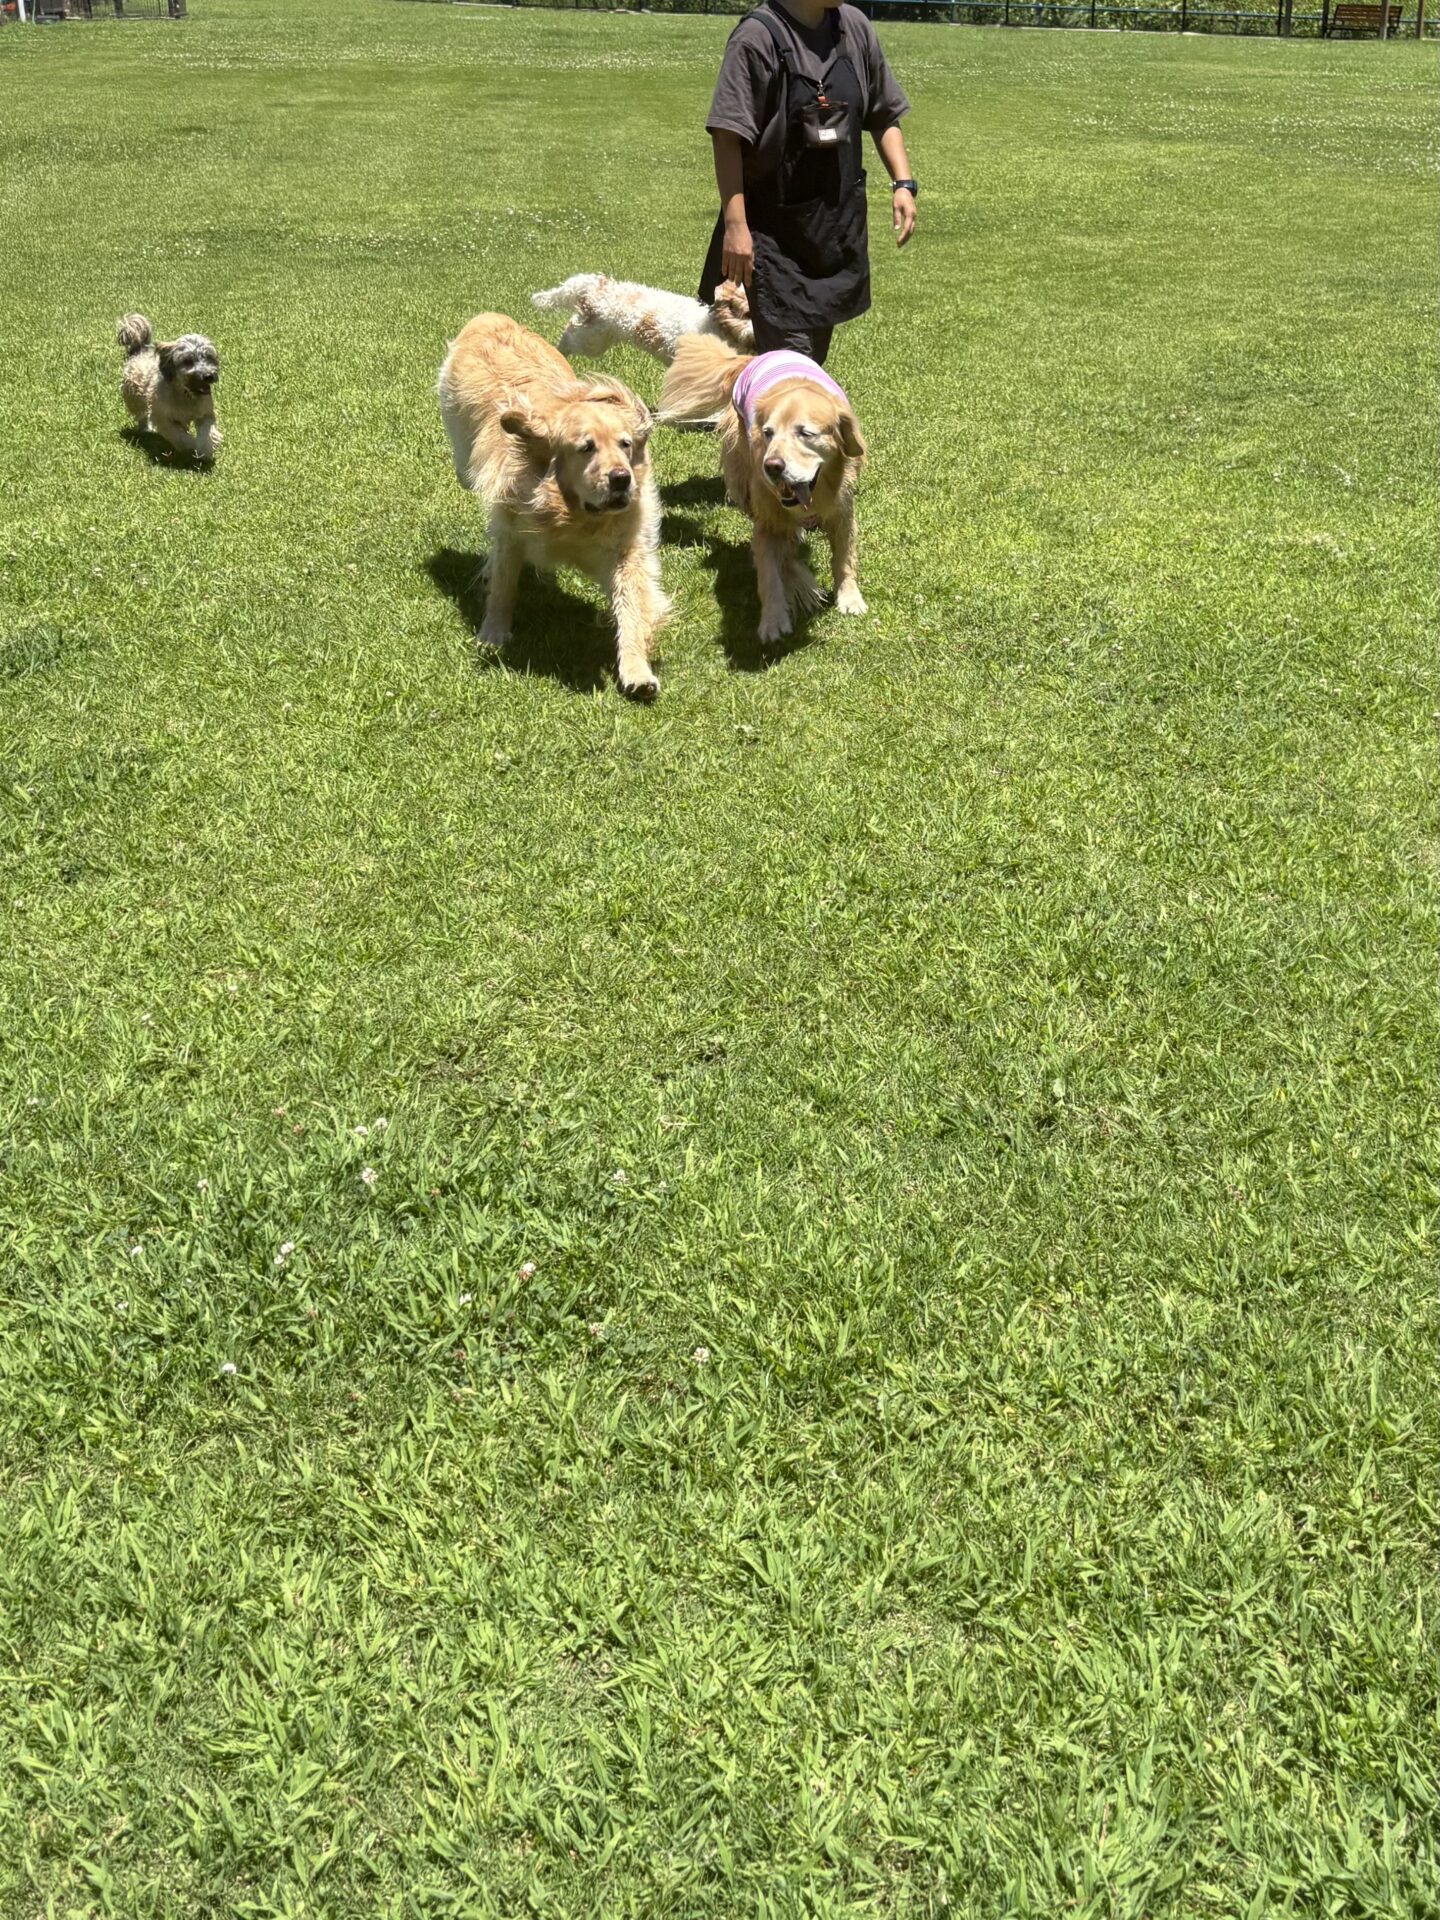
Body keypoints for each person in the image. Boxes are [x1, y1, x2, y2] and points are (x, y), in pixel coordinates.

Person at [700, 0, 917, 367]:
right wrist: (736, 227)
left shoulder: (853, 28)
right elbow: (727, 136)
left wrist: (903, 183)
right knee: (794, 366)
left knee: (810, 361)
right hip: (773, 238)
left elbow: (883, 113)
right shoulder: (756, 38)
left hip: (831, 230)